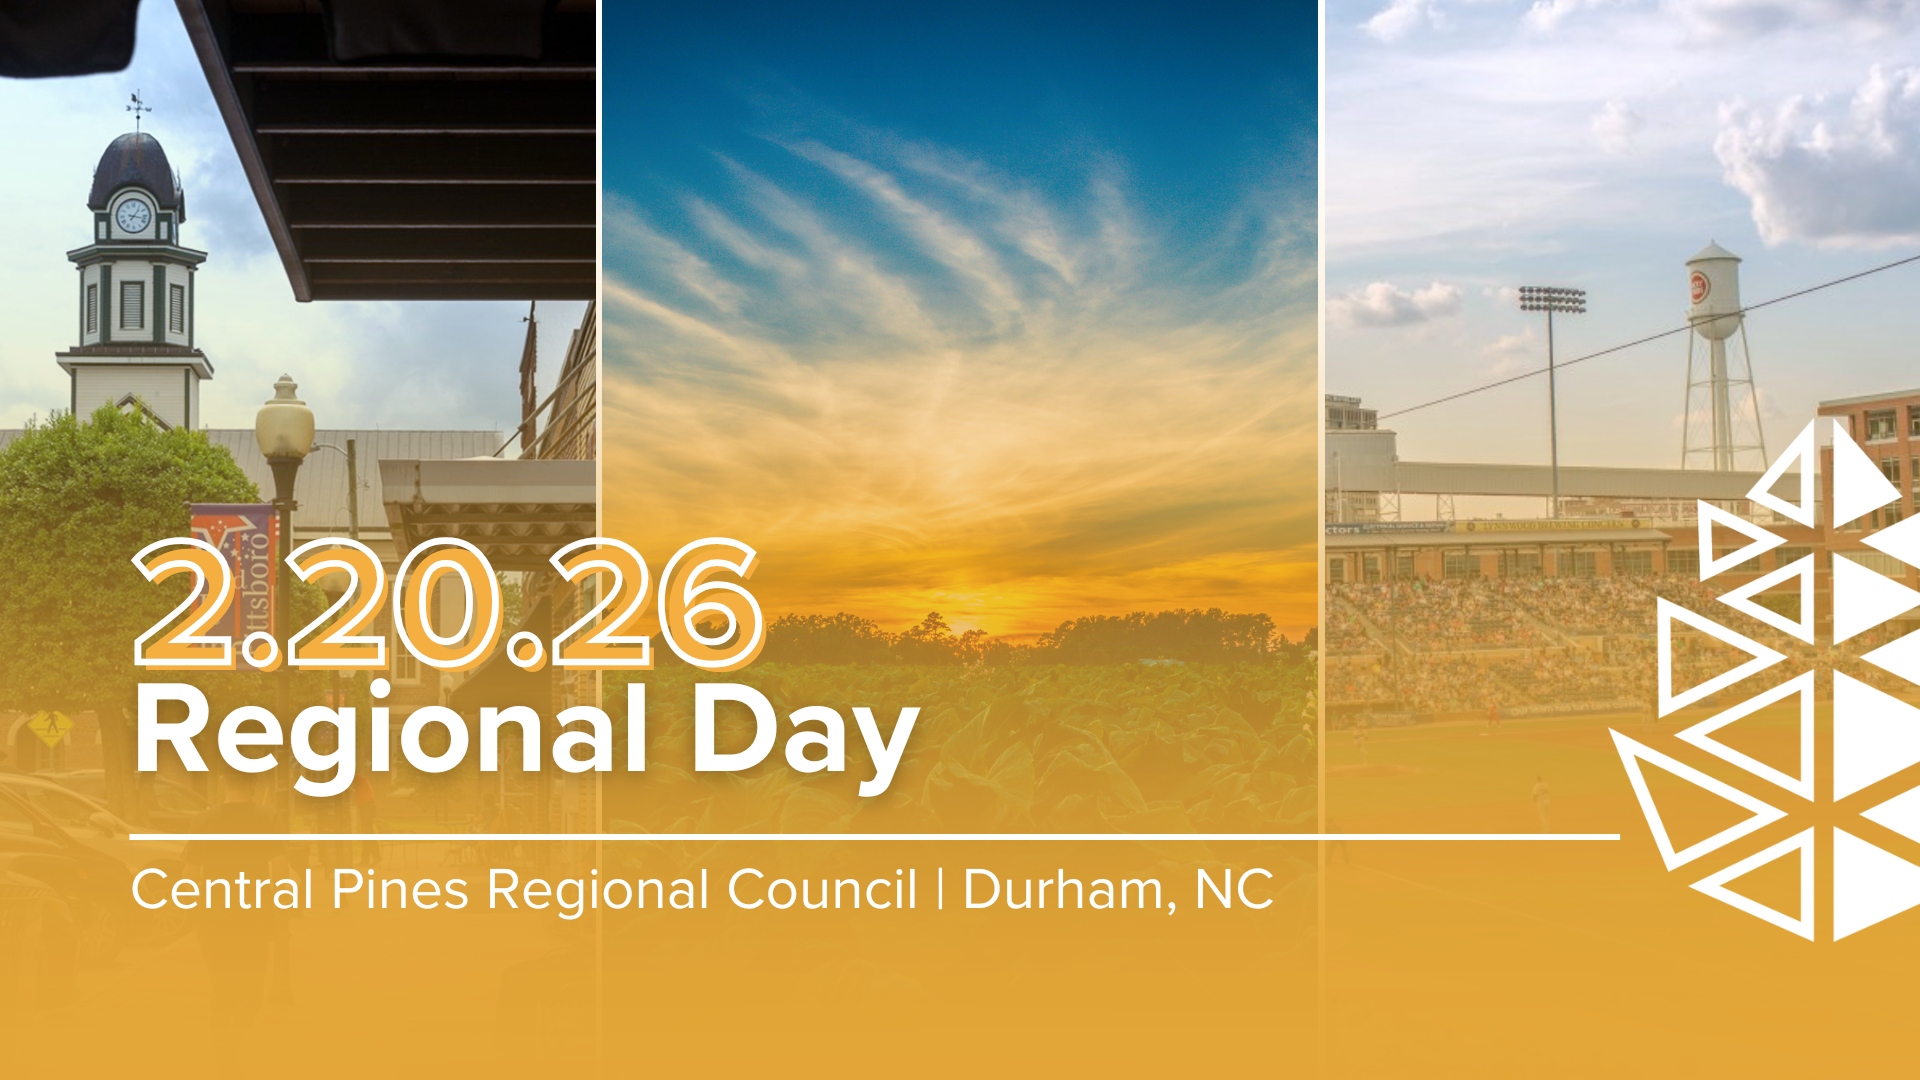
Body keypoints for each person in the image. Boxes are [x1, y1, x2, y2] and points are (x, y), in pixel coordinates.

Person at [181, 771, 290, 1026]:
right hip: (254, 920)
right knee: (251, 994)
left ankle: (222, 1056)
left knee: (222, 990)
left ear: (222, 782)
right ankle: (230, 1050)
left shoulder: (202, 820)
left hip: (213, 921)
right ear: (253, 783)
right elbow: (281, 871)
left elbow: (189, 877)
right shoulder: (268, 819)